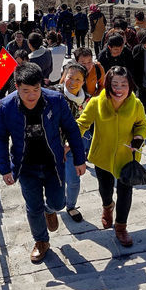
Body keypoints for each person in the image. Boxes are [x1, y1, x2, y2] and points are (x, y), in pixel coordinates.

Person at [0, 63, 88, 264]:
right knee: (33, 207)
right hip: (25, 166)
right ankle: (41, 241)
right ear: (17, 86)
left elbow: (71, 128)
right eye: (26, 91)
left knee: (58, 203)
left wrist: (80, 159)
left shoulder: (55, 100)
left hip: (53, 163)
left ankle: (50, 210)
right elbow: (0, 137)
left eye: (36, 90)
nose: (31, 96)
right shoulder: (5, 106)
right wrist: (4, 168)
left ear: (41, 86)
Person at [77, 66, 146, 247]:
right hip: (103, 155)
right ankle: (107, 206)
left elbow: (142, 124)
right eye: (114, 84)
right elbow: (82, 123)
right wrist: (71, 141)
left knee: (126, 191)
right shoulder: (96, 102)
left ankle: (121, 227)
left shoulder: (136, 104)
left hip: (126, 157)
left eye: (123, 84)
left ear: (129, 86)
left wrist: (139, 137)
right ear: (108, 85)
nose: (119, 89)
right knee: (105, 189)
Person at [58, 63, 90, 223]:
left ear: (83, 82)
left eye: (78, 79)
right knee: (54, 181)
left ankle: (71, 206)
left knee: (73, 180)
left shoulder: (87, 100)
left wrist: (70, 145)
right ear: (64, 77)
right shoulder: (53, 96)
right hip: (54, 147)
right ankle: (50, 207)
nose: (73, 82)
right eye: (70, 77)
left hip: (74, 147)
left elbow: (87, 124)